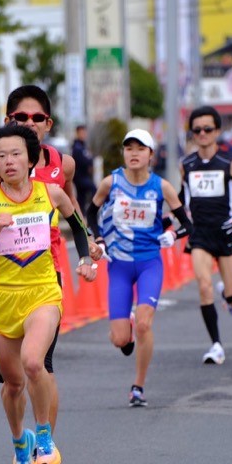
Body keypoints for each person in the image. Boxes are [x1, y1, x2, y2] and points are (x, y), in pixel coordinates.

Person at [0, 123, 96, 464]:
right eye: (1, 156)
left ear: (31, 158)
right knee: (12, 384)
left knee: (35, 362)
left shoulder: (50, 193)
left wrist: (85, 260)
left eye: (16, 153)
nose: (9, 161)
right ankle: (21, 442)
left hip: (43, 291)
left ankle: (44, 435)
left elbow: (78, 225)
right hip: (2, 298)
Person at [86, 129, 192, 407]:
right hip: (119, 266)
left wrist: (173, 236)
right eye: (129, 148)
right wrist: (98, 238)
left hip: (149, 264)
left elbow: (188, 224)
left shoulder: (162, 187)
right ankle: (126, 333)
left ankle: (138, 386)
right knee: (120, 339)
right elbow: (90, 212)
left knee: (145, 324)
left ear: (151, 155)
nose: (134, 153)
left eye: (140, 149)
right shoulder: (111, 183)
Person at [181, 106, 232, 365]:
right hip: (200, 234)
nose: (202, 134)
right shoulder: (186, 165)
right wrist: (176, 223)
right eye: (197, 130)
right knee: (203, 284)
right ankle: (216, 344)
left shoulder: (230, 164)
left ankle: (230, 296)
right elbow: (181, 200)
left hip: (225, 232)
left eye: (207, 129)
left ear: (217, 131)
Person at [71, 124, 96, 212]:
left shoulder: (83, 145)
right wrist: (89, 161)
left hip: (84, 175)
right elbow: (83, 160)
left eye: (84, 132)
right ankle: (92, 210)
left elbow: (90, 158)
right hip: (79, 177)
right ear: (77, 133)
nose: (83, 134)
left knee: (81, 198)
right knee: (93, 189)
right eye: (81, 133)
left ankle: (81, 215)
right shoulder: (77, 147)